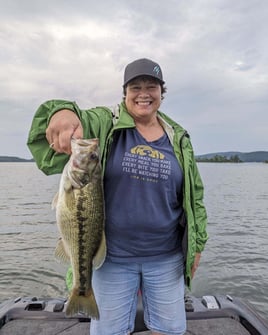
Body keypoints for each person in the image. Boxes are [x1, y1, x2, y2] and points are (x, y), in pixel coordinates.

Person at [27, 58, 208, 335]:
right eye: (135, 87)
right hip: (112, 258)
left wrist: (197, 246)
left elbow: (194, 196)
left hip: (166, 257)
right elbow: (75, 119)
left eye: (152, 86)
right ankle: (81, 291)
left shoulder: (178, 136)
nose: (144, 93)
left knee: (170, 330)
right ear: (125, 92)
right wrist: (62, 112)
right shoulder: (105, 123)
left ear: (162, 92)